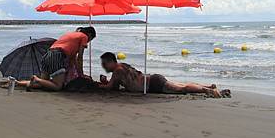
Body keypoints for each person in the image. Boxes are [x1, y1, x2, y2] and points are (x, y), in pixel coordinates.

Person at [98, 52, 230, 98]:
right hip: (153, 79)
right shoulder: (122, 65)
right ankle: (208, 86)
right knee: (182, 85)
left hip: (153, 84)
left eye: (104, 64)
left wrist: (101, 84)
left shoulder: (117, 71)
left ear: (111, 62)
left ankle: (206, 90)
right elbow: (121, 83)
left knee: (181, 89)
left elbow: (111, 87)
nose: (103, 66)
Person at [26, 27, 96, 91]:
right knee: (58, 86)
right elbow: (80, 57)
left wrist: (79, 74)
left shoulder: (72, 35)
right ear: (89, 35)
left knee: (44, 84)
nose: (88, 42)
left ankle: (18, 82)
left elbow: (73, 61)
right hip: (57, 55)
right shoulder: (84, 36)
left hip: (47, 55)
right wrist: (81, 75)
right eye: (90, 39)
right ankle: (36, 79)